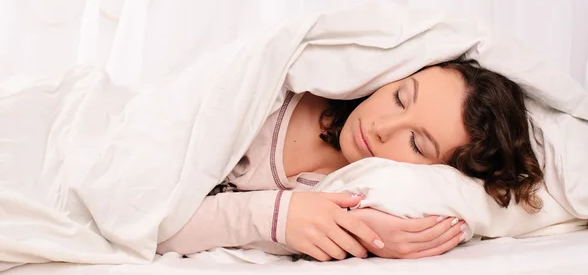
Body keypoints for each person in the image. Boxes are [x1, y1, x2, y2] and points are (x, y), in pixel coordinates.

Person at [157, 58, 544, 261]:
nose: (381, 126)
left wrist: (362, 233)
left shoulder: (362, 195)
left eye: (416, 143)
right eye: (399, 97)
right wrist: (278, 214)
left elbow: (166, 230)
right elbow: (148, 215)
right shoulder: (290, 88)